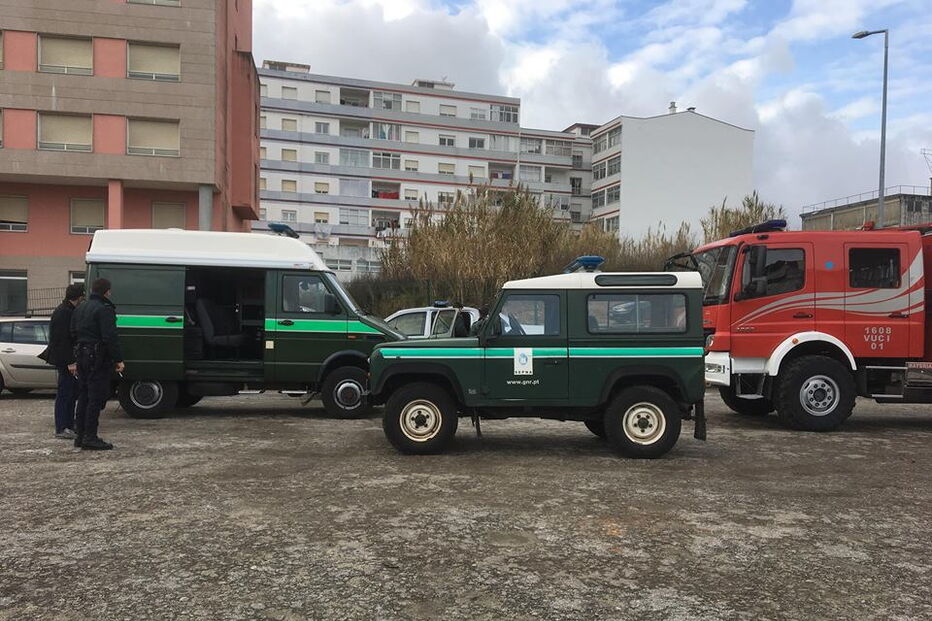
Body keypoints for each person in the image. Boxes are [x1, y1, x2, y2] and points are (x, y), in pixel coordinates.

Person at [71, 278, 124, 451]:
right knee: (95, 398)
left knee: (84, 395)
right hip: (97, 358)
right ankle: (90, 437)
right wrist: (118, 359)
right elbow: (110, 337)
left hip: (82, 355)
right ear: (107, 291)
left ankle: (80, 435)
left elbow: (72, 332)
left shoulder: (80, 308)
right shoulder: (104, 310)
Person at [41, 283, 85, 439]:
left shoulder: (67, 310)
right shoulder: (64, 313)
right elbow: (62, 340)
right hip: (65, 359)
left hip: (66, 358)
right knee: (65, 393)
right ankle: (62, 427)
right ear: (79, 297)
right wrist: (71, 362)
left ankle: (68, 423)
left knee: (71, 392)